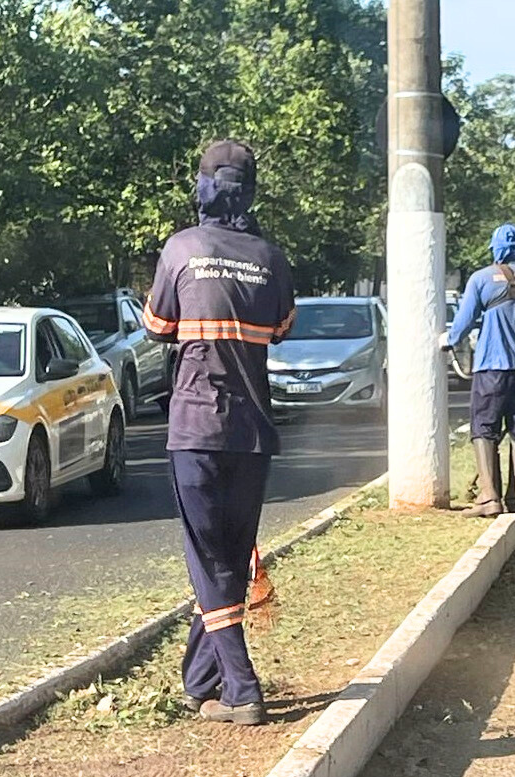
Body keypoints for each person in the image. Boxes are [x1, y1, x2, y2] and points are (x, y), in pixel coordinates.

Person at [144, 140, 295, 726]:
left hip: (195, 428)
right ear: (251, 191)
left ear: (203, 186)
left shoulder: (181, 248)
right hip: (253, 434)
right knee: (228, 556)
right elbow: (281, 327)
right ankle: (200, 681)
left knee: (211, 560)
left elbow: (157, 324)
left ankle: (242, 687)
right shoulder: (271, 257)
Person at [441, 223, 515, 516]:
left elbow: (464, 320)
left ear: (496, 249)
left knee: (484, 428)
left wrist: (448, 340)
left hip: (491, 368)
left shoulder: (481, 278)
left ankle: (489, 499)